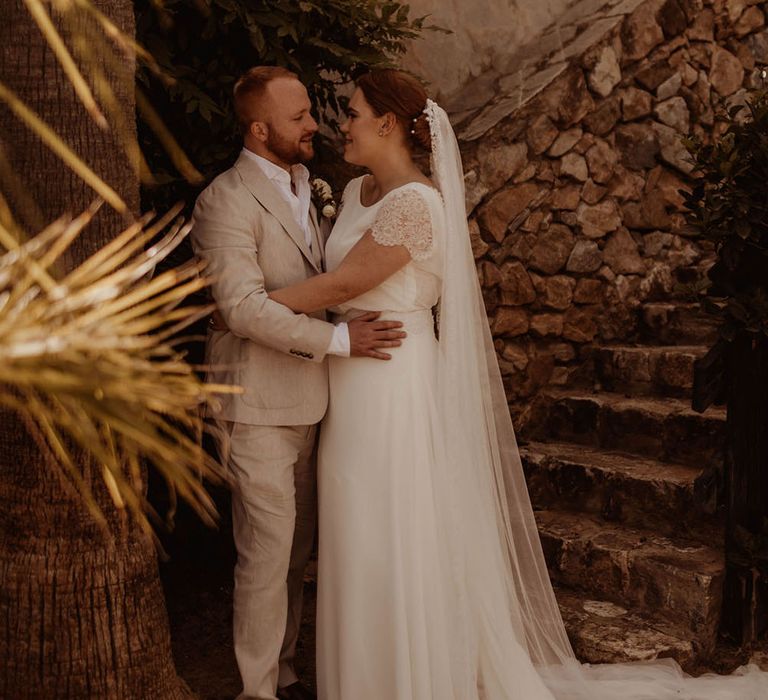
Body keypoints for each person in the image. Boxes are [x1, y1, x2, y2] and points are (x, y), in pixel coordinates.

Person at [268, 68, 768, 700]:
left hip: (393, 386)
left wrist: (250, 304)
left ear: (388, 124)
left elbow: (342, 286)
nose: (344, 123)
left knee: (387, 531)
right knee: (354, 533)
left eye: (355, 112)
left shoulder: (418, 204)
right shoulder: (359, 190)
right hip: (349, 383)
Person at [190, 66, 406, 700]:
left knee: (293, 555)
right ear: (260, 129)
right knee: (264, 555)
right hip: (253, 402)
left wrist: (346, 317)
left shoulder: (308, 185)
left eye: (312, 112)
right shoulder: (225, 200)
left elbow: (319, 284)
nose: (315, 123)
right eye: (298, 117)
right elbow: (240, 309)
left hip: (312, 402)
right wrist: (340, 339)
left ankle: (283, 673)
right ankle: (255, 691)